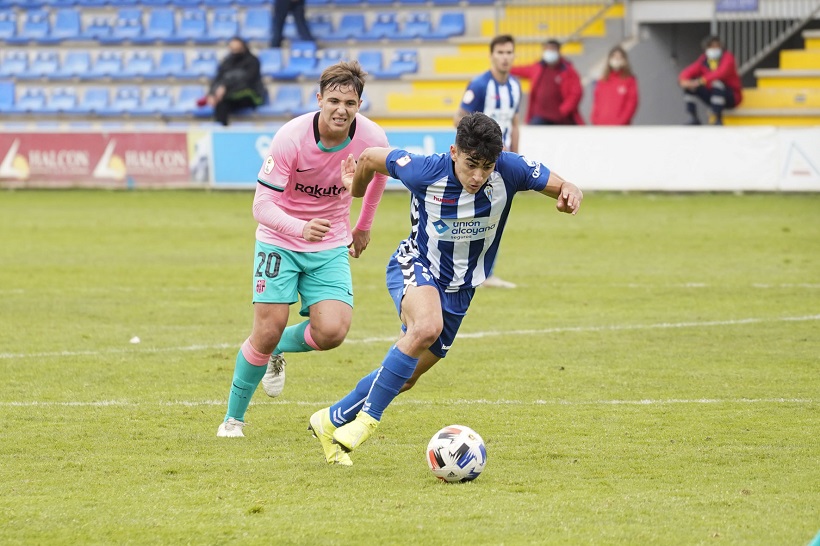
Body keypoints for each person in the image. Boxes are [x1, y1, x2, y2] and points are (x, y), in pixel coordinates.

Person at [307, 112, 583, 466]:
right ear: (454, 152)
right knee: (426, 326)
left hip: (462, 289)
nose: (478, 176)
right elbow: (370, 157)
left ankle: (329, 420)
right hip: (415, 263)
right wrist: (354, 188)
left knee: (406, 378)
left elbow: (560, 185)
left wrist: (570, 190)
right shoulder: (423, 170)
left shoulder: (510, 170)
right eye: (471, 165)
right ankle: (366, 422)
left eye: (486, 166)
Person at [216, 61, 390, 448]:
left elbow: (378, 176)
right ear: (319, 100)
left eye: (350, 102)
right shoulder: (291, 137)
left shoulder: (372, 138)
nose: (341, 109)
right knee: (265, 329)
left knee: (332, 332)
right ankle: (233, 419)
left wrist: (363, 226)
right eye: (333, 100)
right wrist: (298, 228)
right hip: (280, 238)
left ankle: (278, 348)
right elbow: (261, 206)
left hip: (329, 243)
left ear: (360, 104)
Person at [454, 34, 522, 289]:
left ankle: (486, 273)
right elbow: (459, 118)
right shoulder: (481, 85)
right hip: (478, 162)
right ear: (492, 55)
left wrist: (515, 153)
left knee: (495, 216)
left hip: (500, 161)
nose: (505, 57)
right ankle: (463, 269)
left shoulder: (516, 87)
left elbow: (515, 122)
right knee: (467, 215)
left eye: (509, 53)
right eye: (500, 52)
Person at [511, 39, 584, 125]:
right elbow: (521, 70)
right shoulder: (538, 67)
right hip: (539, 116)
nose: (549, 52)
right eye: (547, 49)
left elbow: (576, 93)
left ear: (558, 51)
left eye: (552, 49)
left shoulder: (568, 71)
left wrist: (564, 110)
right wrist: (504, 68)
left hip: (562, 117)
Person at [678, 35, 742, 125]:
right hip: (712, 95)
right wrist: (683, 81)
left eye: (717, 46)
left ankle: (718, 118)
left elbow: (720, 73)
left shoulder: (728, 58)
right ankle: (693, 117)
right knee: (689, 87)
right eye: (711, 47)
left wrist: (700, 81)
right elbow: (689, 70)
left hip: (731, 96)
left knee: (717, 83)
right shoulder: (704, 59)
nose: (714, 49)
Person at [203, 37, 267, 126]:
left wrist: (226, 88)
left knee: (224, 99)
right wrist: (212, 93)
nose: (235, 51)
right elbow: (218, 79)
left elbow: (246, 80)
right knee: (221, 104)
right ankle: (221, 130)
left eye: (237, 48)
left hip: (251, 95)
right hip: (230, 97)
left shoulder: (252, 61)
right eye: (232, 48)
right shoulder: (227, 61)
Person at [591, 45, 639, 126]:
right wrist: (595, 119)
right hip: (601, 126)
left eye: (619, 57)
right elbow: (596, 102)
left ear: (624, 60)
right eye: (614, 56)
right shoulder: (602, 80)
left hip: (620, 128)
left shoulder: (629, 80)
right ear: (609, 59)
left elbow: (632, 103)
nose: (616, 59)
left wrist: (621, 122)